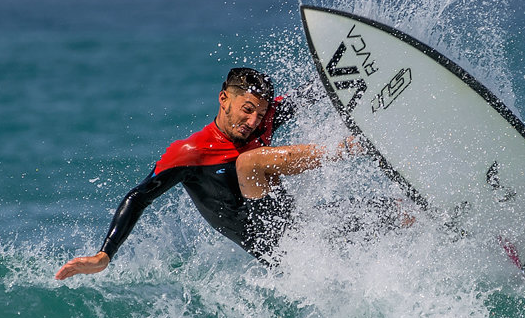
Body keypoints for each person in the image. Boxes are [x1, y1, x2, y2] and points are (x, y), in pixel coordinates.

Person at [55, 68, 355, 280]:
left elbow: (309, 94)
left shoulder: (261, 122)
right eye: (246, 110)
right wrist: (104, 254)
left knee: (393, 213)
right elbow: (138, 197)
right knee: (249, 163)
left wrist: (349, 71)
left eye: (261, 114)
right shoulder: (191, 152)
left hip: (303, 231)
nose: (253, 121)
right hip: (278, 249)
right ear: (224, 99)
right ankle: (351, 147)